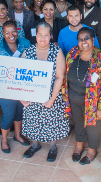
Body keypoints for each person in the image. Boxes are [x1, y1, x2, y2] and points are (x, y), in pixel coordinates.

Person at [21, 22, 69, 162]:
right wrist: (21, 98)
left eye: (46, 35)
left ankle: (53, 147)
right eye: (40, 35)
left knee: (51, 122)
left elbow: (60, 76)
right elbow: (20, 76)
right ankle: (35, 145)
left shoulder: (56, 51)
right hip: (32, 95)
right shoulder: (28, 51)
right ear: (36, 36)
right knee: (33, 121)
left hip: (51, 94)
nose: (42, 38)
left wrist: (52, 99)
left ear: (50, 36)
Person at [62, 27, 101, 165]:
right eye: (80, 39)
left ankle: (91, 150)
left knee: (93, 126)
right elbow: (66, 74)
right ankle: (79, 145)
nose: (83, 42)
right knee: (78, 122)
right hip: (73, 97)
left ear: (93, 40)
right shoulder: (72, 53)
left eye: (86, 38)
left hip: (93, 101)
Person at [0, 20, 31, 154]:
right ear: (3, 34)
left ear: (17, 31)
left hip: (21, 86)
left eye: (13, 31)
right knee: (9, 113)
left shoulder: (25, 43)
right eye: (7, 32)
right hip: (4, 88)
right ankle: (4, 139)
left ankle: (18, 135)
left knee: (20, 111)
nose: (11, 35)